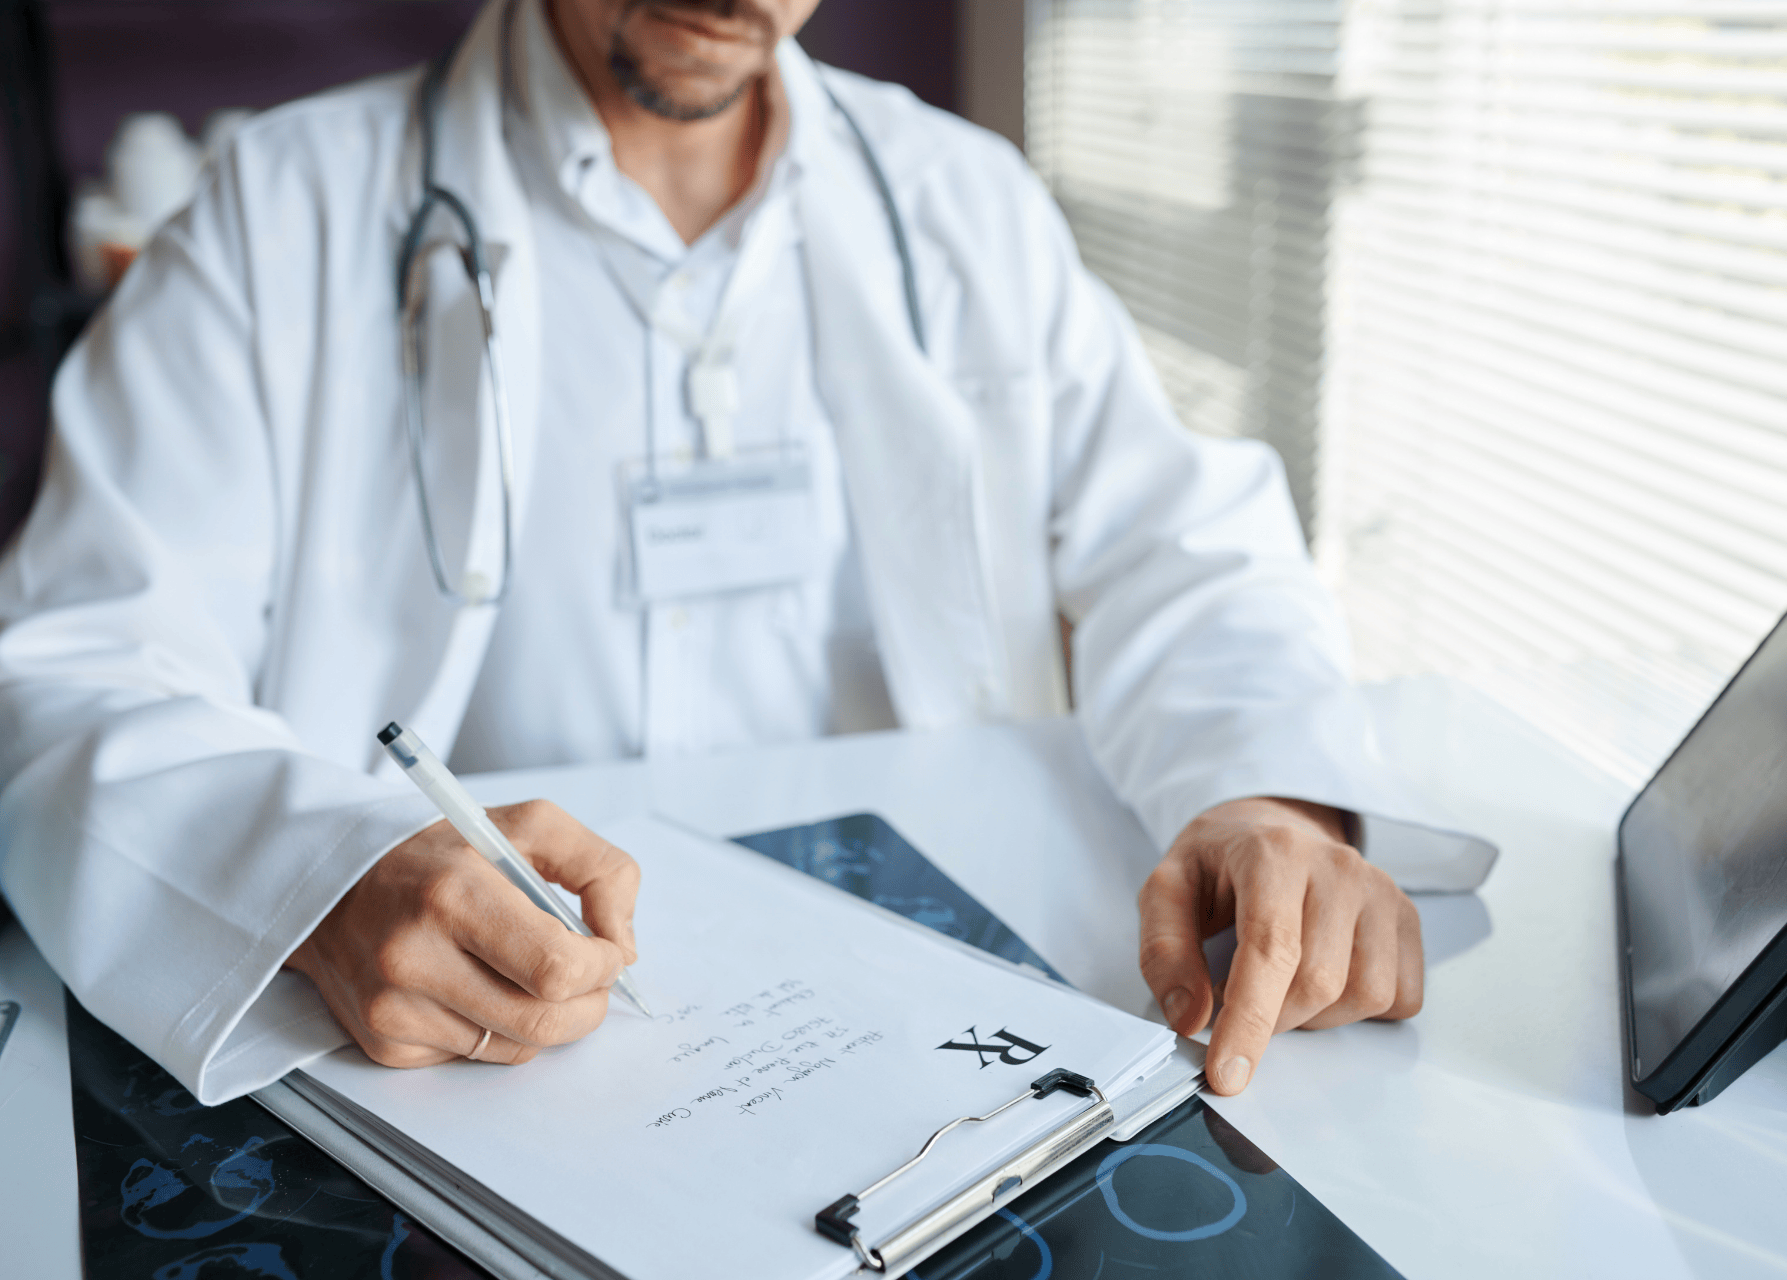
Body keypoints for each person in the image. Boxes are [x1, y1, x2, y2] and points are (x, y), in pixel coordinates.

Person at [0, 0, 1490, 1108]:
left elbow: (1186, 551)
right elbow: (71, 666)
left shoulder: (965, 203)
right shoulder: (277, 215)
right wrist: (316, 879)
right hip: (473, 1072)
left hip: (930, 1047)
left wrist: (1272, 801)